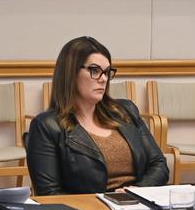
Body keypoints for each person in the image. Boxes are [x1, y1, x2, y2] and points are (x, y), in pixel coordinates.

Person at [26, 37, 168, 195]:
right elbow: (49, 194)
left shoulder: (126, 110)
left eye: (107, 72)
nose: (104, 79)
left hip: (137, 203)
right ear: (70, 73)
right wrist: (104, 203)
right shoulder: (46, 125)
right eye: (94, 70)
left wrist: (138, 191)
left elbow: (159, 164)